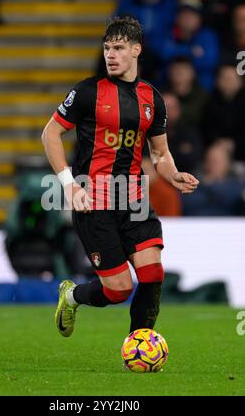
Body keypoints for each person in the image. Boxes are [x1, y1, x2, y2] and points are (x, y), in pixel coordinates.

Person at [42, 17, 199, 339]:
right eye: (106, 48)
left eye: (118, 48)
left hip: (134, 199)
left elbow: (159, 154)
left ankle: (138, 347)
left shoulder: (152, 99)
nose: (110, 55)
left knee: (153, 273)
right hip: (93, 200)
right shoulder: (88, 92)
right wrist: (69, 185)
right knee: (118, 290)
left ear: (136, 50)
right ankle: (71, 296)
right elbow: (50, 134)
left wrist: (173, 174)